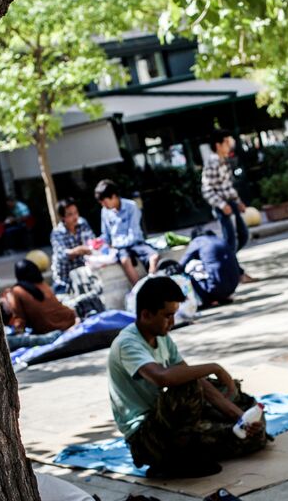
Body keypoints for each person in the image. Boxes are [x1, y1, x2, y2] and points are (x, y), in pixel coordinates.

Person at [107, 276, 266, 479]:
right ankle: (173, 460)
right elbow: (163, 378)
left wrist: (239, 417)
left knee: (253, 433)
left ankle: (195, 446)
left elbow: (201, 383)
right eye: (167, 316)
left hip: (171, 424)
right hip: (146, 436)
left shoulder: (162, 338)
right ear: (146, 314)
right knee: (185, 385)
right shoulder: (127, 344)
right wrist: (214, 367)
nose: (172, 322)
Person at [96, 179, 159, 285]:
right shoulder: (105, 211)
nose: (104, 205)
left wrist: (115, 244)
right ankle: (138, 289)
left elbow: (133, 235)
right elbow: (106, 235)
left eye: (105, 202)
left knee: (154, 256)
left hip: (135, 243)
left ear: (114, 196)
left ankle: (151, 280)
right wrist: (99, 243)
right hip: (120, 249)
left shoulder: (131, 206)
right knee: (125, 260)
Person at [201, 130, 250, 267]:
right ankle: (233, 270)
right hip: (222, 206)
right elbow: (206, 189)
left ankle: (230, 265)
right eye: (227, 142)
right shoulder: (212, 162)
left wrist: (238, 202)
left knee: (243, 235)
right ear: (218, 145)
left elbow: (227, 186)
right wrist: (222, 205)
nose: (230, 145)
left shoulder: (224, 161)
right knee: (231, 241)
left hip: (231, 203)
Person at [2, 259, 76, 334]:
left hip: (49, 329)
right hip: (69, 319)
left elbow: (20, 319)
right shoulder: (43, 284)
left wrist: (18, 335)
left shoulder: (16, 291)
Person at [180, 229, 241, 306]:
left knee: (188, 274)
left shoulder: (198, 241)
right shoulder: (220, 240)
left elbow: (181, 264)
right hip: (233, 286)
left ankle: (208, 301)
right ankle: (223, 297)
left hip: (215, 288)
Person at [50, 197, 96, 291]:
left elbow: (92, 243)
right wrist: (78, 250)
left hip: (84, 274)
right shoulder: (57, 232)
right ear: (63, 217)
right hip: (65, 279)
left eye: (76, 212)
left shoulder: (83, 223)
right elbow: (62, 255)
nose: (75, 217)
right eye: (70, 214)